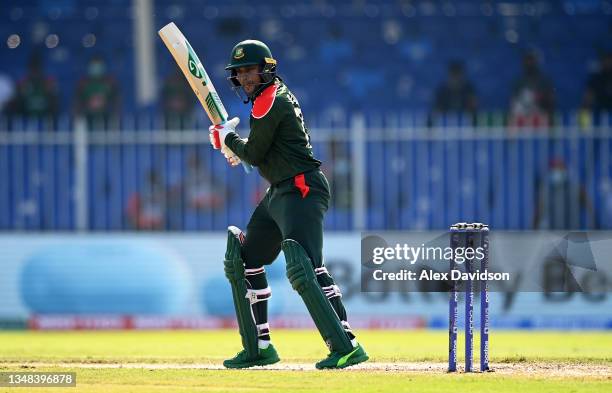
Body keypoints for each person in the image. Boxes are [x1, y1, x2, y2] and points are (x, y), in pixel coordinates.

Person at [208, 40, 368, 369]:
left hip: (301, 188)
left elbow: (253, 155)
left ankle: (347, 344)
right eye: (239, 72)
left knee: (304, 266)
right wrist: (233, 145)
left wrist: (229, 140)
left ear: (266, 69)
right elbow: (259, 152)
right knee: (245, 258)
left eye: (250, 70)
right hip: (280, 191)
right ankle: (260, 347)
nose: (245, 77)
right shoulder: (270, 98)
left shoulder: (270, 101)